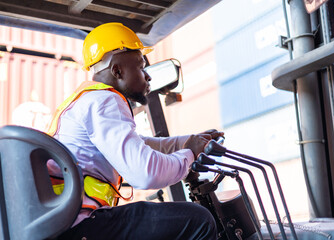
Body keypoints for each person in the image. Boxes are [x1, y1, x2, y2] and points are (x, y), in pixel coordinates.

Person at [47, 22, 223, 240]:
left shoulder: (86, 100)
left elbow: (139, 145)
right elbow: (146, 173)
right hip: (81, 225)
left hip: (65, 223)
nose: (148, 76)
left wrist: (190, 142)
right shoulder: (106, 100)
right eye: (141, 67)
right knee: (199, 219)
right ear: (117, 70)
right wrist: (189, 155)